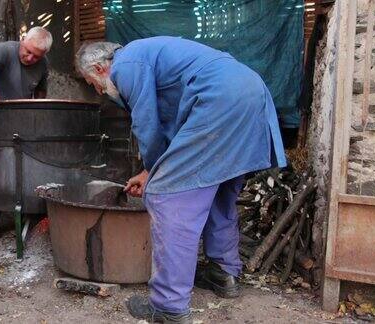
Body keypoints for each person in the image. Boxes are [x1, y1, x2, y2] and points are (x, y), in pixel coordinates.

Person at [75, 37, 286, 323]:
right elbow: (175, 126)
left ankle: (168, 307)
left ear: (100, 68)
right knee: (218, 187)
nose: (98, 91)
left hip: (218, 98)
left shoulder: (126, 65)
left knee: (166, 196)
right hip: (250, 93)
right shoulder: (150, 57)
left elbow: (146, 124)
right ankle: (223, 275)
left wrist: (154, 174)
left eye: (92, 83)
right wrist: (151, 170)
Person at [0, 26, 53, 238]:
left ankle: (18, 210)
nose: (29, 58)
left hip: (20, 121)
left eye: (36, 56)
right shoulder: (7, 50)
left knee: (20, 167)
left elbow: (41, 90)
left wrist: (37, 112)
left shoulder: (43, 64)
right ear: (23, 40)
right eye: (27, 51)